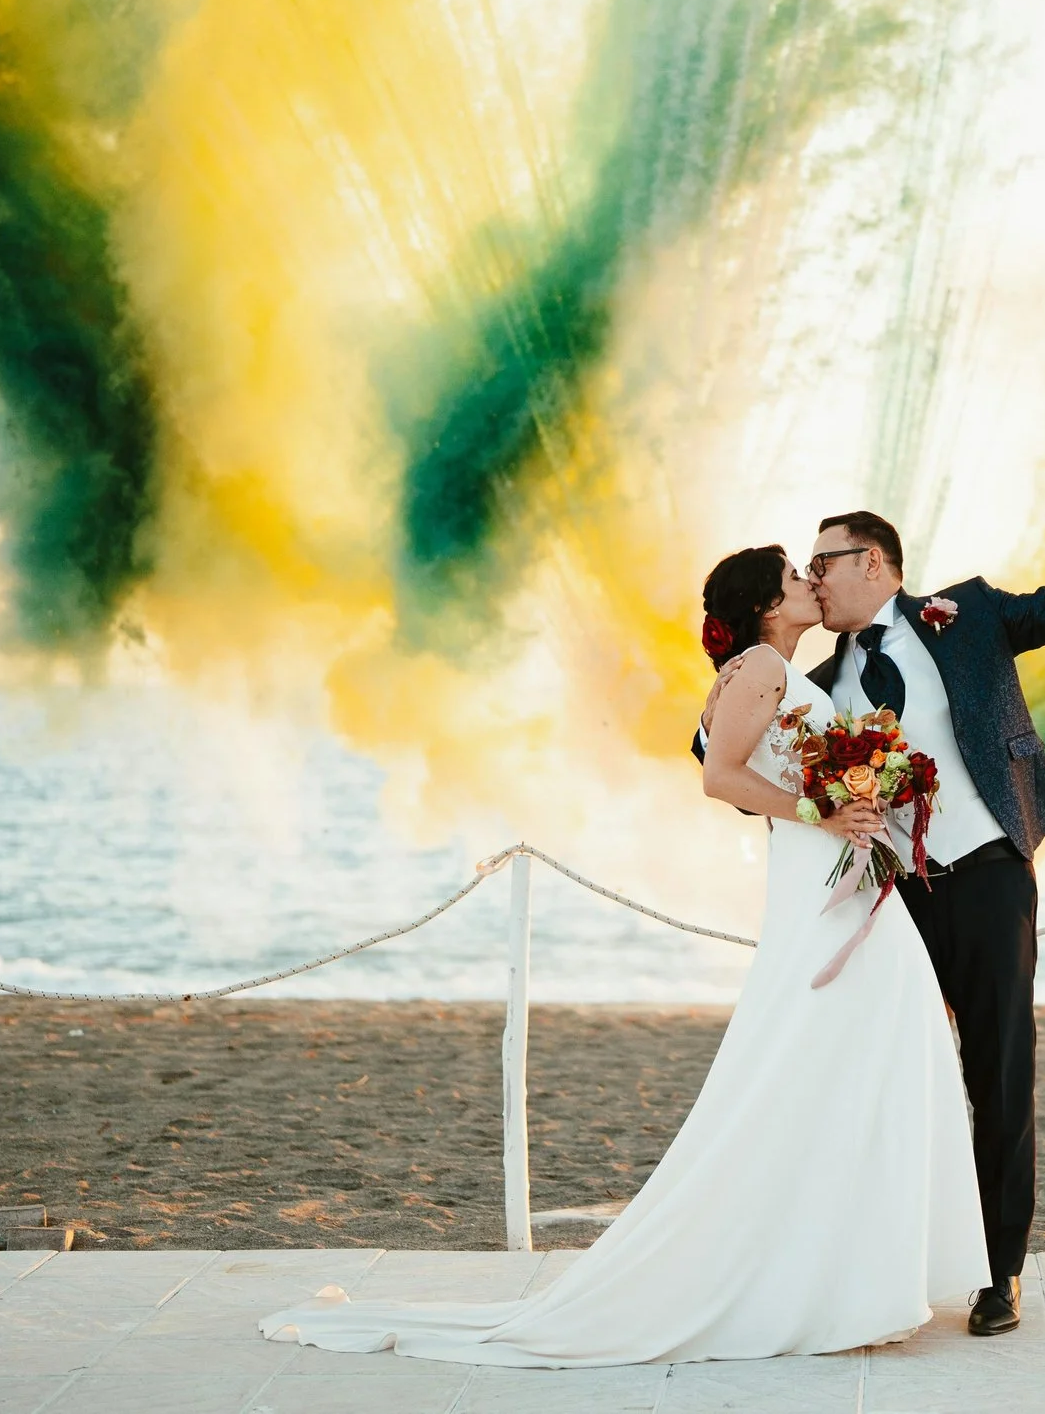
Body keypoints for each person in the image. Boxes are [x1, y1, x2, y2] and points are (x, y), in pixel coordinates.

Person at [260, 548, 985, 1366]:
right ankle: (827, 1278)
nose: (808, 582)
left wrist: (861, 791)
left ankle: (855, 1268)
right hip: (817, 879)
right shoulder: (757, 666)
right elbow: (720, 776)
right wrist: (826, 808)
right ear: (762, 603)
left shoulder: (779, 665)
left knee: (862, 1051)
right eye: (792, 575)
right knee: (824, 1052)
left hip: (836, 878)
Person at [799, 421, 1045, 1336]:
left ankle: (997, 1272)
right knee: (886, 1071)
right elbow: (734, 756)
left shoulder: (963, 615)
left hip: (988, 873)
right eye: (807, 568)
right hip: (890, 898)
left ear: (879, 564)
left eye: (826, 561)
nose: (813, 578)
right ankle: (885, 1263)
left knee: (1000, 1069)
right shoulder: (813, 683)